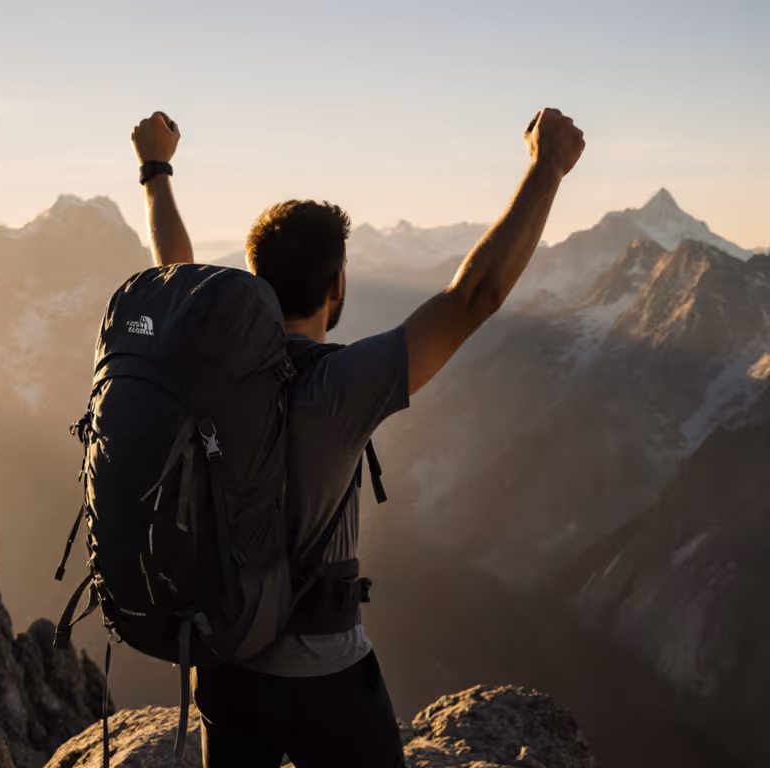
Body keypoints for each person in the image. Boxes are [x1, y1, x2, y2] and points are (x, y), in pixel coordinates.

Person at [130, 108, 585, 767]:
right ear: (338, 284)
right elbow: (475, 296)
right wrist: (548, 167)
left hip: (224, 664)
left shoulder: (208, 367)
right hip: (325, 676)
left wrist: (155, 171)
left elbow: (174, 270)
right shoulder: (340, 386)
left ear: (255, 283)